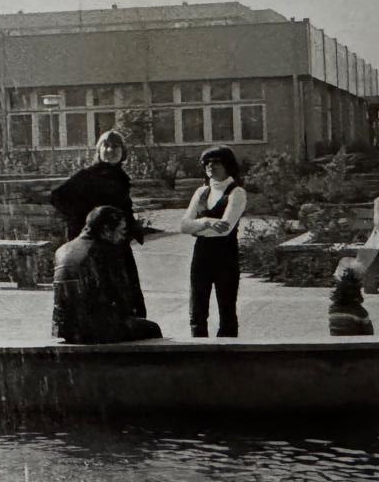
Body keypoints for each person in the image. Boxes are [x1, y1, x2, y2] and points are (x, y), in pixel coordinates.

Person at [48, 129, 146, 318]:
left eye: (115, 146)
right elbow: (57, 197)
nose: (110, 150)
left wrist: (133, 227)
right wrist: (86, 221)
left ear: (123, 151)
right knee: (100, 292)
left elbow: (123, 207)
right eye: (106, 146)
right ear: (99, 150)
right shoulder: (88, 175)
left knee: (125, 290)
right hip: (95, 247)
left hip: (117, 243)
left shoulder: (120, 177)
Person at [51, 206, 163, 344]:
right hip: (97, 330)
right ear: (106, 230)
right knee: (152, 329)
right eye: (121, 231)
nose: (123, 237)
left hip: (66, 329)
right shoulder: (106, 251)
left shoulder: (62, 250)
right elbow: (123, 297)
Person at [181, 145, 247, 337]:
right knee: (197, 311)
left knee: (227, 311)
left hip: (225, 255)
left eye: (216, 162)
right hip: (201, 254)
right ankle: (198, 351)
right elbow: (184, 225)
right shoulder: (201, 192)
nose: (211, 166)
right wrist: (207, 222)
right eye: (207, 163)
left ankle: (227, 354)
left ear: (227, 165)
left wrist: (196, 227)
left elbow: (225, 229)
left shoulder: (236, 193)